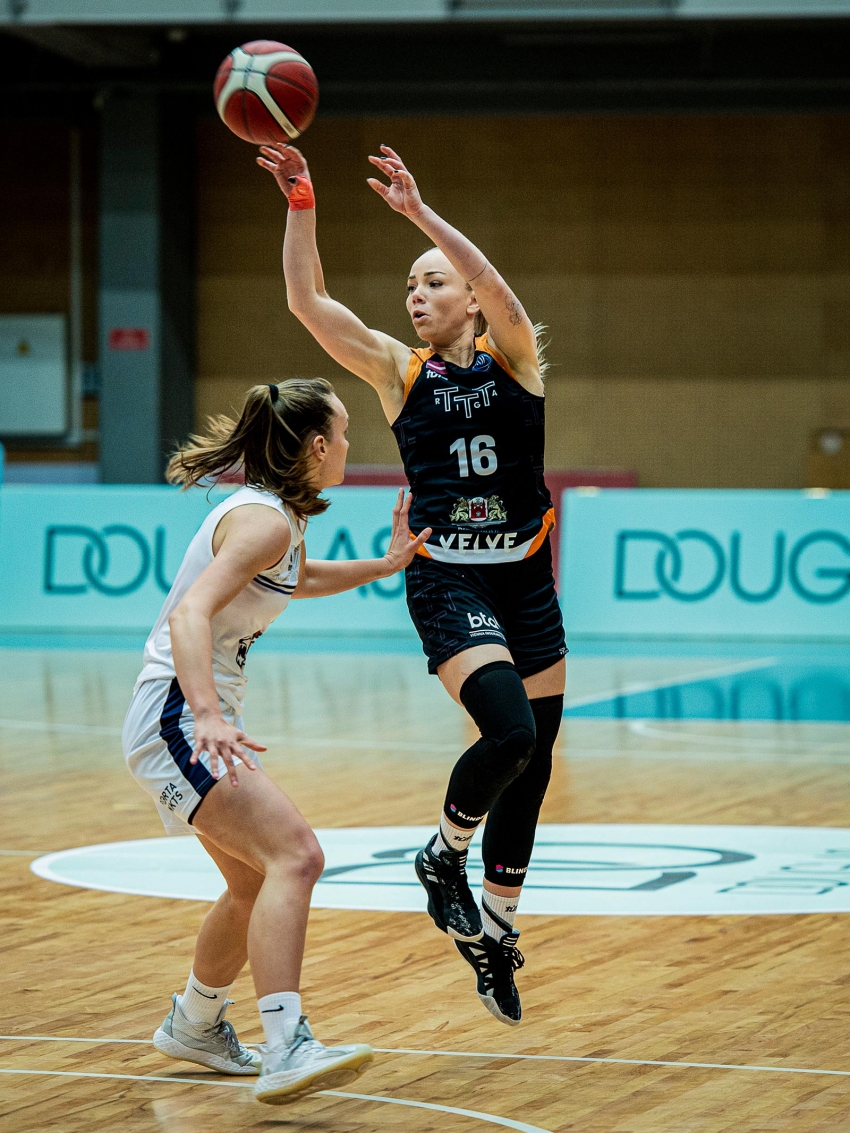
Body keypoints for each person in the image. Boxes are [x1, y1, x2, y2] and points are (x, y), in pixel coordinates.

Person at [258, 143, 566, 1027]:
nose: (417, 296)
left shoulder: (515, 358)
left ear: (469, 296)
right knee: (509, 732)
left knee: (535, 764)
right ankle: (441, 854)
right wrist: (302, 201)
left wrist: (422, 213)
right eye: (409, 286)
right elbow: (308, 302)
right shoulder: (401, 371)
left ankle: (496, 932)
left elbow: (499, 285)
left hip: (527, 581)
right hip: (448, 578)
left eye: (434, 282)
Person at [122, 379, 430, 1102]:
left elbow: (297, 578)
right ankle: (287, 1044)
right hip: (176, 717)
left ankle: (195, 1023)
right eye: (343, 433)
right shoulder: (262, 522)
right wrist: (206, 713)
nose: (349, 444)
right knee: (298, 854)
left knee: (255, 882)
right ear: (317, 446)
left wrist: (384, 566)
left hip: (174, 717)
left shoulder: (276, 521)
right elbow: (190, 614)